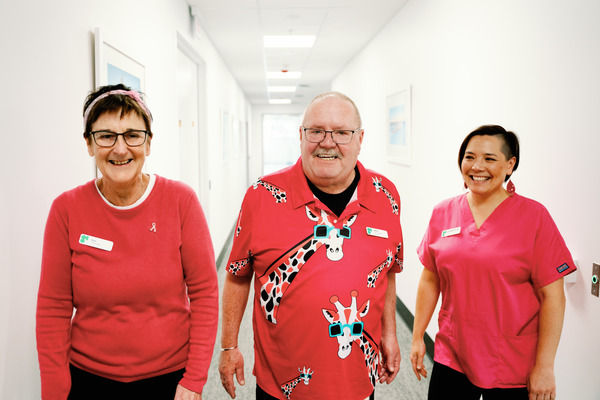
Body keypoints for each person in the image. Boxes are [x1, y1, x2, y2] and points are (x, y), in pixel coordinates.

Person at [36, 84, 218, 400]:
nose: (120, 149)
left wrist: (194, 379)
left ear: (148, 144)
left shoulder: (180, 201)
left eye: (133, 135)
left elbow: (204, 293)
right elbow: (53, 307)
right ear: (89, 145)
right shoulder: (66, 209)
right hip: (88, 379)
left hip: (169, 379)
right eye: (106, 136)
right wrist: (54, 391)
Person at [218, 92, 403, 400]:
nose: (327, 142)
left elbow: (388, 271)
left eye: (342, 133)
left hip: (357, 379)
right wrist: (228, 346)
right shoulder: (262, 195)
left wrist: (390, 334)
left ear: (360, 139)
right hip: (282, 384)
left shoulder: (386, 195)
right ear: (300, 136)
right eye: (315, 131)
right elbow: (238, 275)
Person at [410, 125, 575, 400]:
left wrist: (545, 367)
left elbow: (553, 297)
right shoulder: (443, 212)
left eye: (489, 158)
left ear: (510, 165)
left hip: (510, 361)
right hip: (452, 353)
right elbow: (431, 278)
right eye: (469, 157)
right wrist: (417, 336)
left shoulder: (534, 217)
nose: (477, 167)